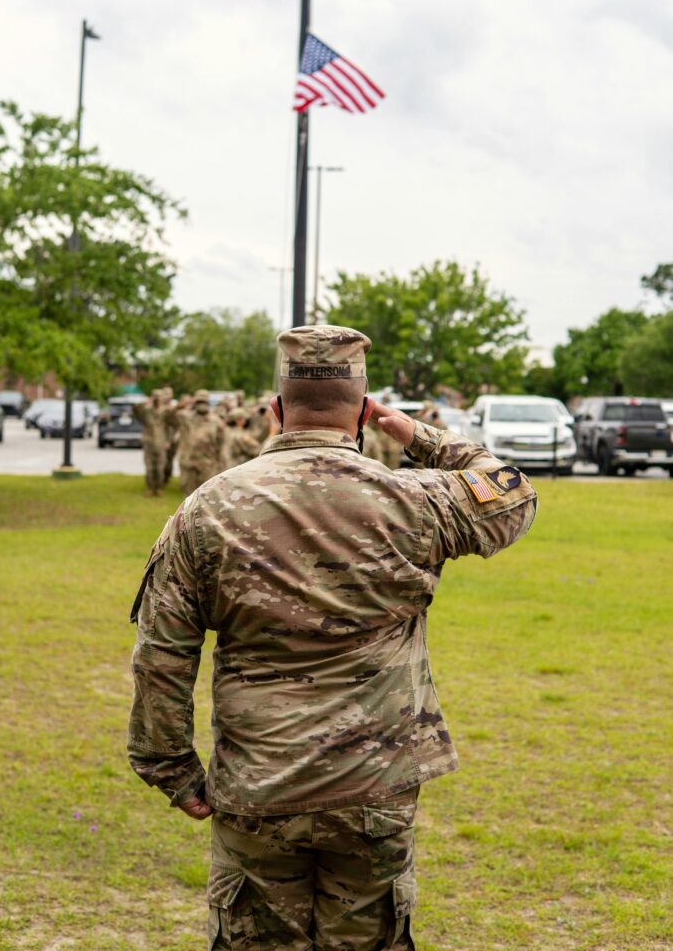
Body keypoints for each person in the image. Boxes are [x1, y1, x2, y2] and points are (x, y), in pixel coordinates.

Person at [127, 325, 537, 950]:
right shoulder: (414, 499)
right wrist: (416, 433)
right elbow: (513, 493)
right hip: (375, 786)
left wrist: (171, 768)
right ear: (366, 412)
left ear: (276, 409)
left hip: (259, 784)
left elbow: (163, 654)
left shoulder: (208, 509)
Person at [170, 390, 226, 497]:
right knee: (188, 496)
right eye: (199, 402)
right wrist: (179, 406)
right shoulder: (185, 417)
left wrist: (221, 465)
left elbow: (221, 444)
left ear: (208, 403)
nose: (202, 405)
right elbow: (168, 418)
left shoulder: (216, 421)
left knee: (206, 495)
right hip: (188, 462)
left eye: (204, 402)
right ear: (195, 403)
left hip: (208, 464)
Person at [132, 389, 167, 496]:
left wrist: (169, 440)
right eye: (155, 397)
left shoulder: (166, 411)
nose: (157, 400)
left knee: (160, 466)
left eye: (158, 397)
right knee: (149, 466)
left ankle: (159, 487)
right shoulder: (146, 411)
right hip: (149, 442)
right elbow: (135, 410)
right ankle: (151, 488)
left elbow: (172, 425)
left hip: (161, 442)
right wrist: (147, 402)